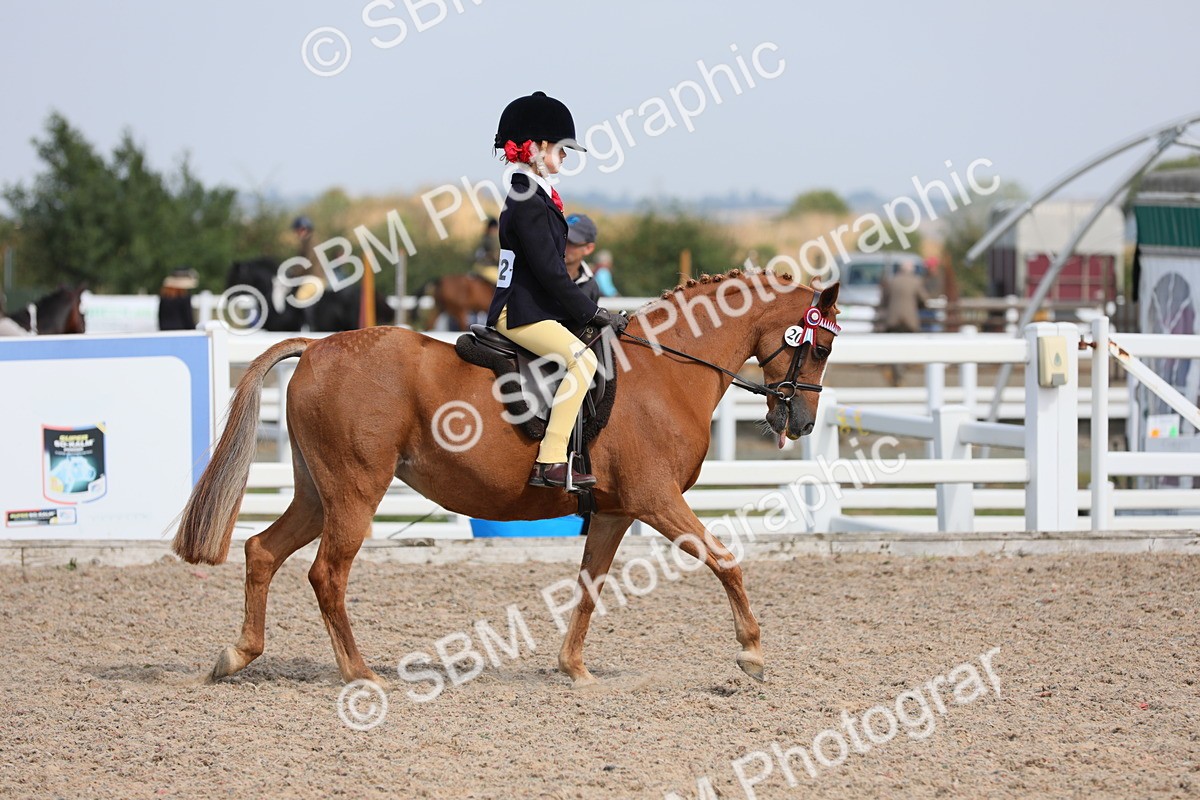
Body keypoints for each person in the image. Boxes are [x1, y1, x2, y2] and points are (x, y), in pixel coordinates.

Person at [486, 91, 626, 489]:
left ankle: (580, 455)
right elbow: (551, 271)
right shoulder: (528, 200)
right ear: (538, 148)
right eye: (562, 149)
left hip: (533, 305)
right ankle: (549, 461)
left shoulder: (534, 195)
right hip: (520, 310)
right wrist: (592, 312)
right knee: (582, 362)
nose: (565, 157)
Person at [877, 260, 929, 386]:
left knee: (894, 347)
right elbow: (924, 299)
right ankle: (902, 375)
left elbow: (884, 300)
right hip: (909, 321)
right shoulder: (916, 281)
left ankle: (897, 375)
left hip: (893, 320)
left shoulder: (892, 281)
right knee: (908, 346)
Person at [564, 213, 601, 303]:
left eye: (571, 242)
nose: (563, 245)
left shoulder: (591, 287)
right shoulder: (537, 272)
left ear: (588, 248)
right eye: (562, 238)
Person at [472, 218, 501, 283]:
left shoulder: (484, 238)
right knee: (501, 281)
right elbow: (495, 256)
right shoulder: (491, 240)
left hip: (477, 266)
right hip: (487, 268)